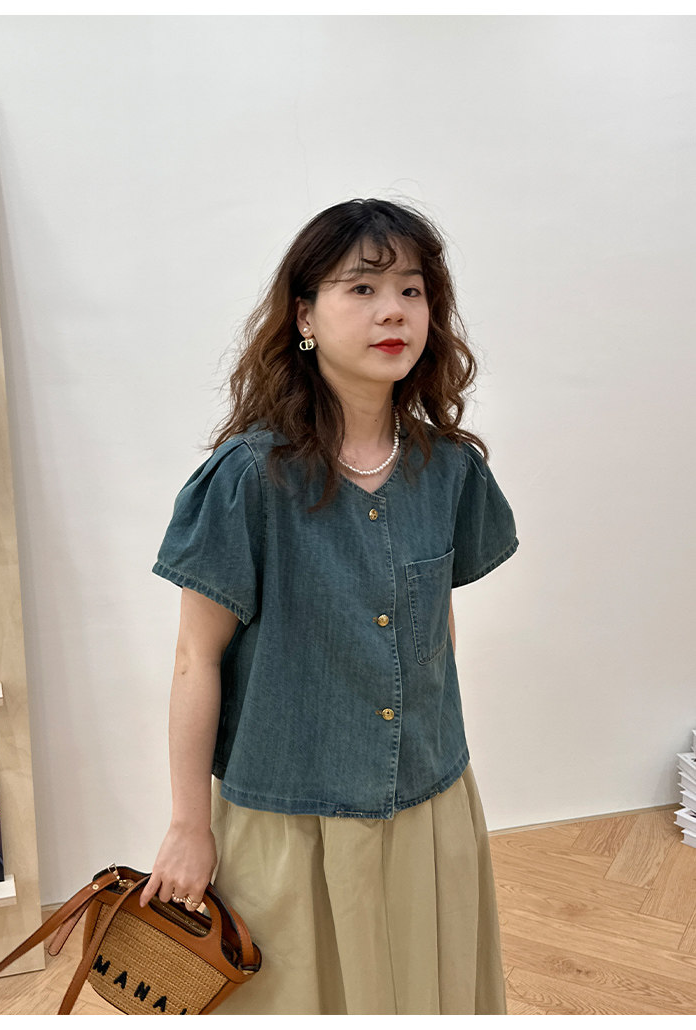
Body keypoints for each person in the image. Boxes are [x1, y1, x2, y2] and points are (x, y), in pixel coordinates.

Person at [141, 198, 519, 1015]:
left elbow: (435, 632)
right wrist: (188, 825)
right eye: (362, 288)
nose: (394, 311)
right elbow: (195, 658)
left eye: (413, 291)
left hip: (428, 805)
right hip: (289, 817)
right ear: (305, 316)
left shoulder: (450, 471)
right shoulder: (247, 479)